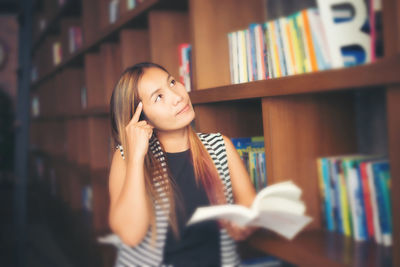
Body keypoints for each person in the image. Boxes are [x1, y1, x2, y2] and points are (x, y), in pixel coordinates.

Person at [108, 62, 257, 266]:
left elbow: (250, 206)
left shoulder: (220, 146)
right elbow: (130, 235)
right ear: (142, 118)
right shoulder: (126, 157)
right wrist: (136, 158)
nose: (177, 97)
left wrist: (244, 223)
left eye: (172, 83)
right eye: (158, 97)